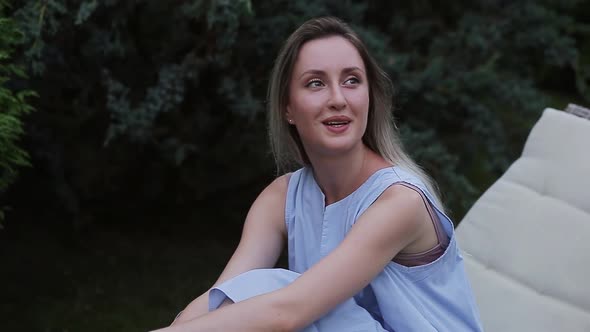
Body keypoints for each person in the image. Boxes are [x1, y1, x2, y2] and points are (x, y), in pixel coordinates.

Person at [150, 16, 483, 332]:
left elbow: (288, 312)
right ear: (288, 108)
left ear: (370, 96)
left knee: (271, 290)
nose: (338, 99)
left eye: (352, 80)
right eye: (316, 83)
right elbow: (223, 296)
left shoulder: (400, 202)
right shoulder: (281, 198)